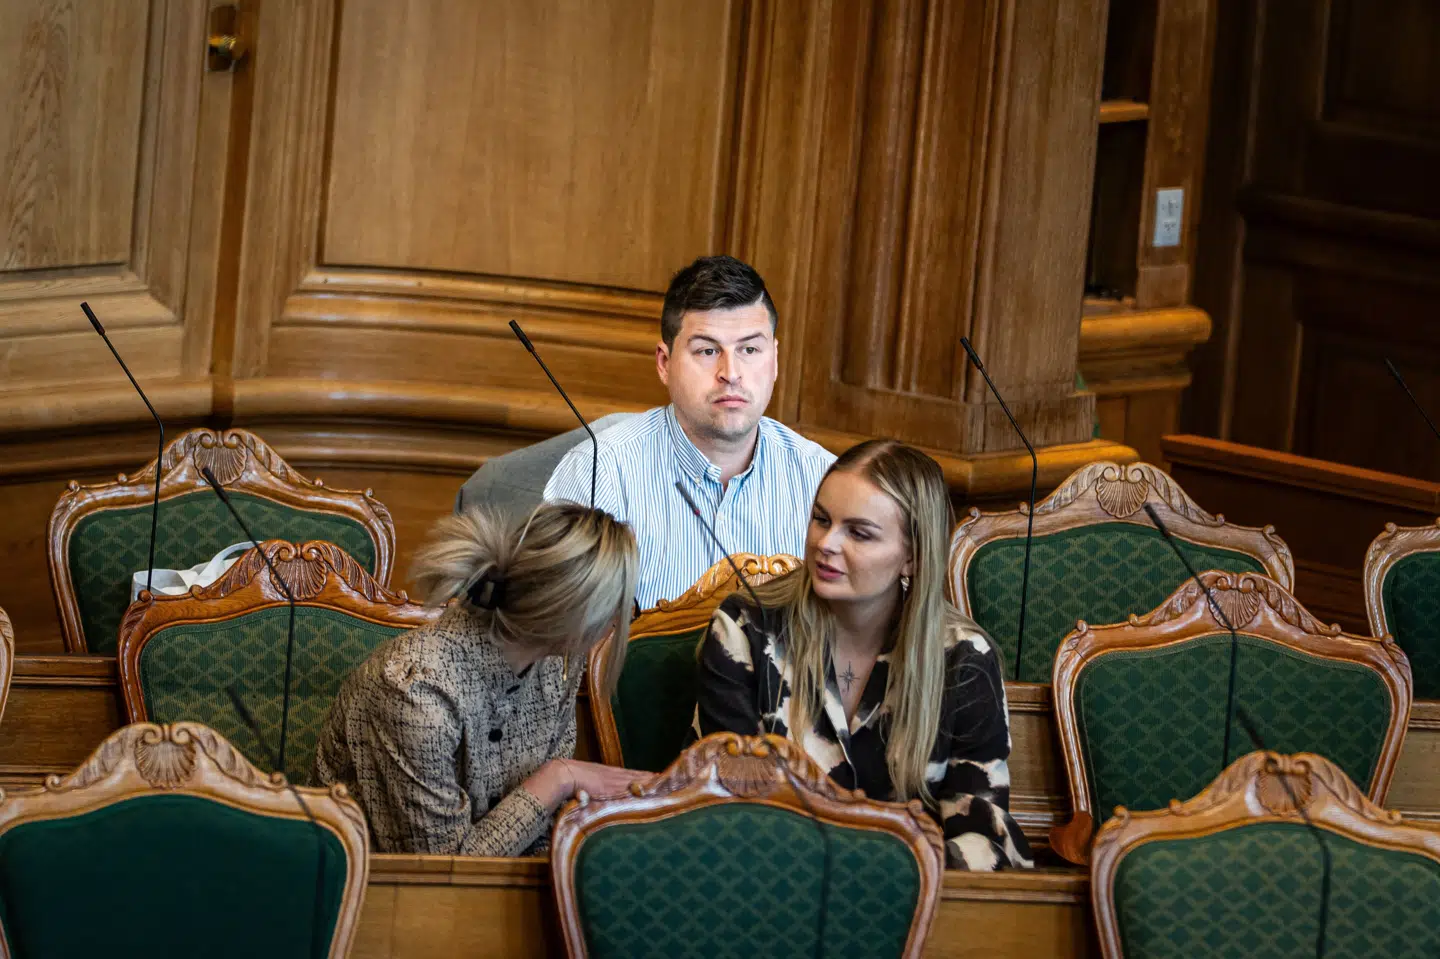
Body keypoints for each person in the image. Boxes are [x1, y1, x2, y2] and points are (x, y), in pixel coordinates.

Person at [692, 440, 1033, 871]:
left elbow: (986, 836)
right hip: (765, 887)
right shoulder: (746, 629)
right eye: (822, 520)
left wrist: (879, 878)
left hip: (907, 900)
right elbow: (723, 806)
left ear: (912, 557)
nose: (826, 543)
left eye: (859, 533)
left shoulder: (962, 659)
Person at [313, 503, 650, 856]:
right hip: (371, 883)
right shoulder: (415, 690)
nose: (618, 622)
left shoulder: (556, 665)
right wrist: (558, 779)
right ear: (571, 616)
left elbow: (542, 831)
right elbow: (446, 868)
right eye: (617, 608)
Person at [545, 255, 835, 609]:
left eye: (749, 349)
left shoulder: (823, 478)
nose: (731, 373)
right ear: (664, 364)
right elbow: (557, 631)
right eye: (707, 351)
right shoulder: (599, 473)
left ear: (774, 360)